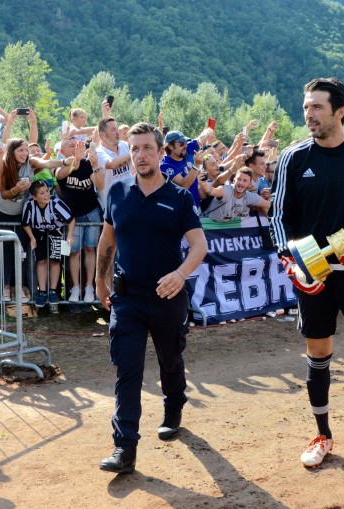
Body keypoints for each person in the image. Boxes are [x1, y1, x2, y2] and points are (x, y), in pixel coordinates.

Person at [270, 77, 344, 482]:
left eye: (317, 107)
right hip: (315, 278)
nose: (309, 115)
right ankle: (322, 435)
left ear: (340, 111)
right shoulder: (293, 158)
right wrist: (291, 259)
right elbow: (277, 217)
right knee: (318, 356)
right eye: (306, 107)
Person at [96, 122, 207, 475]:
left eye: (147, 148)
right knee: (127, 371)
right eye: (135, 148)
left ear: (161, 153)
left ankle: (174, 406)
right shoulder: (117, 191)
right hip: (127, 298)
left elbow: (199, 245)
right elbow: (107, 240)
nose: (141, 155)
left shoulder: (178, 198)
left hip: (167, 297)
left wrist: (179, 274)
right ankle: (124, 447)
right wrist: (100, 280)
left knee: (170, 360)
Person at [0, 139, 77, 301]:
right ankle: (4, 288)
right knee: (4, 252)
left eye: (26, 150)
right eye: (21, 150)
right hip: (2, 212)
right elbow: (0, 191)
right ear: (12, 152)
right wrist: (15, 190)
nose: (25, 153)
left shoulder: (30, 163)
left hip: (21, 214)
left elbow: (46, 162)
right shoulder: (3, 165)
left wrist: (64, 161)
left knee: (22, 252)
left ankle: (21, 288)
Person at [54, 139, 101, 304]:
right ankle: (75, 287)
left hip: (92, 212)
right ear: (62, 152)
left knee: (90, 249)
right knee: (73, 252)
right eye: (72, 146)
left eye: (78, 145)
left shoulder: (88, 164)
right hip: (72, 217)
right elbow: (61, 174)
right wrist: (75, 161)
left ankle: (89, 286)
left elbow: (100, 185)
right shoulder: (59, 168)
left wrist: (95, 166)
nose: (76, 148)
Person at [22, 181, 75, 308]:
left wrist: (70, 235)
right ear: (34, 197)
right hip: (39, 233)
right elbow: (25, 223)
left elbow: (71, 219)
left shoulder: (56, 202)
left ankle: (53, 291)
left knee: (55, 261)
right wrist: (32, 238)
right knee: (41, 261)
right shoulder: (29, 205)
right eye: (42, 193)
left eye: (47, 191)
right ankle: (42, 291)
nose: (46, 195)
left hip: (56, 232)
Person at [200, 168, 269, 221]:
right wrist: (204, 184)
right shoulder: (226, 190)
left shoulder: (249, 196)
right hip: (207, 225)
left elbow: (270, 206)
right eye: (239, 179)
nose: (241, 183)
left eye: (245, 181)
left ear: (250, 184)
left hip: (227, 230)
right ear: (234, 181)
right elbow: (211, 191)